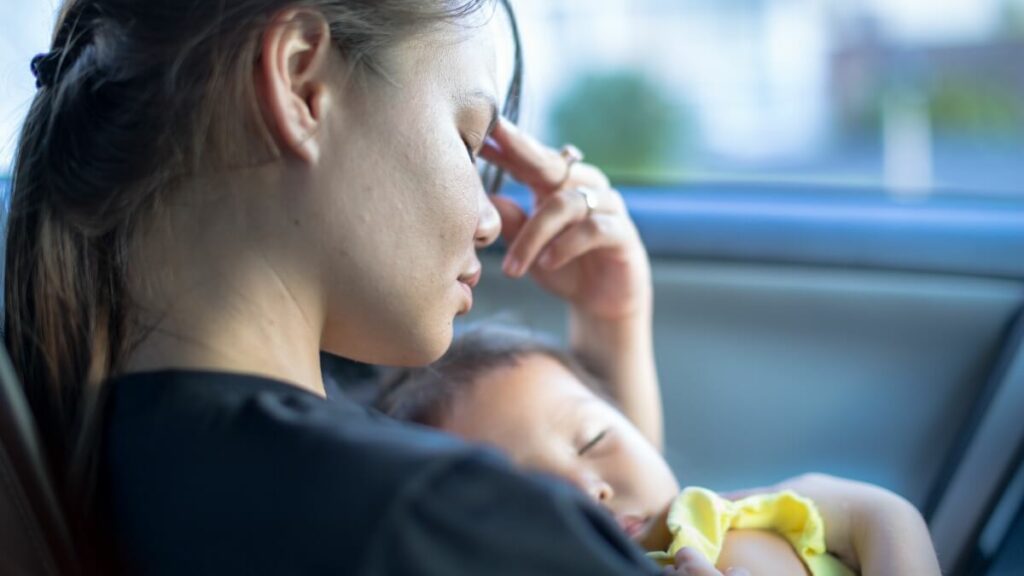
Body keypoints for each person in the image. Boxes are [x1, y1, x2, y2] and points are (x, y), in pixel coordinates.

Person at [0, 1, 932, 575]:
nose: (491, 218)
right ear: (300, 84)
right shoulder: (427, 517)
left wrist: (611, 328)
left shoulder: (154, 446)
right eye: (468, 137)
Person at [377, 325, 942, 575]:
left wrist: (879, 521)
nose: (585, 489)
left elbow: (887, 518)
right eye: (530, 493)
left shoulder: (758, 508)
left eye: (594, 439)